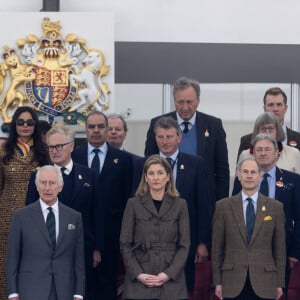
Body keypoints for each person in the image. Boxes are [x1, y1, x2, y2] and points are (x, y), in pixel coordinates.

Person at [133, 116, 210, 296]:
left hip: (184, 242)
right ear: (155, 138)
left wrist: (202, 242)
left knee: (182, 290)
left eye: (169, 137)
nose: (165, 142)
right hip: (148, 246)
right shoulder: (141, 165)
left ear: (179, 138)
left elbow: (203, 205)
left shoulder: (196, 164)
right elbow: (135, 205)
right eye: (161, 137)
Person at [26, 126, 100, 300]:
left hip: (82, 247)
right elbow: (30, 215)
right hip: (48, 250)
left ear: (71, 146)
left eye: (60, 146)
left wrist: (97, 248)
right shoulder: (37, 176)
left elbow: (97, 213)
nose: (55, 151)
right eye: (51, 147)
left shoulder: (89, 175)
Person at [72, 111, 133, 300]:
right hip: (80, 233)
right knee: (81, 287)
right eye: (91, 127)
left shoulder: (123, 160)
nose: (96, 131)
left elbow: (127, 201)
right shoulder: (74, 156)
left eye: (100, 126)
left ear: (107, 129)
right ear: (86, 130)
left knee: (107, 287)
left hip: (111, 236)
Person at [144, 76, 229, 204]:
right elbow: (149, 161)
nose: (185, 107)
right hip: (164, 198)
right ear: (174, 100)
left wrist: (221, 204)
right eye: (180, 102)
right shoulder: (157, 123)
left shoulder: (214, 125)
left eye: (189, 102)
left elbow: (222, 170)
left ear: (198, 101)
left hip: (202, 199)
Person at [233, 134, 300, 293]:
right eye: (259, 149)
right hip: (245, 253)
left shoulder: (293, 180)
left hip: (280, 251)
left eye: (267, 149)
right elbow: (234, 214)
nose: (263, 153)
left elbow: (299, 218)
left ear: (277, 152)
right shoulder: (241, 179)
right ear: (253, 153)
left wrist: (294, 252)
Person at [6, 165, 85, 300]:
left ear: (60, 187)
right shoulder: (21, 217)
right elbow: (12, 258)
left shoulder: (74, 217)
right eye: (43, 183)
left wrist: (79, 293)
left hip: (64, 290)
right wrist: (13, 292)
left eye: (52, 183)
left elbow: (78, 259)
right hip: (31, 290)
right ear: (37, 186)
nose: (47, 188)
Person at [212, 158, 286, 300]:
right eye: (245, 172)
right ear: (238, 175)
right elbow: (217, 250)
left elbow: (280, 250)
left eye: (253, 172)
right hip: (231, 282)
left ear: (260, 176)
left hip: (265, 282)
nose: (249, 175)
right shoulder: (223, 207)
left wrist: (279, 283)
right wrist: (217, 282)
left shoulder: (275, 207)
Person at [120, 155, 190, 300]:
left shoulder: (180, 205)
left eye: (160, 173)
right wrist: (138, 274)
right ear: (145, 177)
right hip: (139, 283)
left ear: (168, 177)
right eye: (151, 173)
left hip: (171, 283)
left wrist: (168, 274)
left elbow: (184, 245)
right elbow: (125, 244)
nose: (156, 178)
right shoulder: (133, 204)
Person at [0, 106, 49, 299]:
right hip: (6, 217)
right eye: (21, 122)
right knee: (5, 265)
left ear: (35, 125)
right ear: (14, 125)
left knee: (33, 263)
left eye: (30, 122)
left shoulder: (43, 152)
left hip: (35, 216)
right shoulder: (4, 151)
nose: (25, 126)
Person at [237, 87, 300, 157]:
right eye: (271, 105)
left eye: (279, 104)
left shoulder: (298, 138)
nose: (275, 109)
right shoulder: (247, 141)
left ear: (286, 108)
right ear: (264, 109)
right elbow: (241, 167)